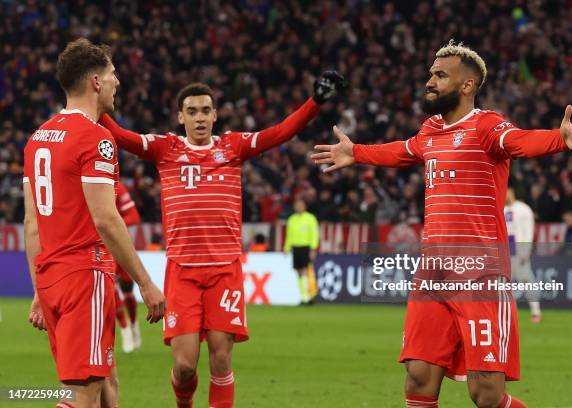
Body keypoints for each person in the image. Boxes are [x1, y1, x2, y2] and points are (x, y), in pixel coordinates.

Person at [312, 40, 572, 408]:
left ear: (467, 85)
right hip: (433, 274)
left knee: (486, 394)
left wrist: (558, 138)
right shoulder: (430, 130)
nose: (430, 81)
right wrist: (357, 152)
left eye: (440, 75)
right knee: (419, 377)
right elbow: (403, 150)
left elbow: (518, 141)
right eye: (431, 73)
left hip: (479, 275)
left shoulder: (486, 126)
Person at [98, 72, 346, 408]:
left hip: (224, 271)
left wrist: (315, 102)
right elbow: (119, 134)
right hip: (182, 273)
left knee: (221, 361)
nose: (199, 117)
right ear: (180, 117)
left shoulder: (233, 146)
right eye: (192, 111)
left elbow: (282, 131)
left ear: (215, 115)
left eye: (205, 110)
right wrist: (95, 98)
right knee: (184, 367)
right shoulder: (164, 148)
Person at [23, 38, 165, 408]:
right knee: (82, 394)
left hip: (52, 278)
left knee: (105, 384)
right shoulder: (96, 140)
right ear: (96, 82)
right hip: (84, 275)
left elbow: (32, 223)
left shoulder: (37, 140)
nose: (118, 82)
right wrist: (146, 283)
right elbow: (106, 219)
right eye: (113, 74)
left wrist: (39, 290)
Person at [504, 186, 541, 323]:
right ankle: (506, 313)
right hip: (505, 252)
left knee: (527, 280)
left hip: (519, 252)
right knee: (504, 283)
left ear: (512, 193)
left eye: (507, 192)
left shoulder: (523, 209)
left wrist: (526, 250)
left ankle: (536, 311)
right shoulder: (502, 210)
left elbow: (529, 230)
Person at [114, 181, 143, 352]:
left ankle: (133, 325)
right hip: (100, 248)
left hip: (121, 246)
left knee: (127, 289)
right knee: (110, 288)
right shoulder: (86, 185)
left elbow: (134, 216)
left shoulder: (117, 186)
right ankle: (125, 331)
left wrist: (112, 227)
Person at [283, 198, 320, 304]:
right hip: (295, 247)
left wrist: (313, 248)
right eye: (297, 205)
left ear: (304, 206)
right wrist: (286, 247)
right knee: (298, 272)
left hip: (306, 247)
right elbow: (289, 235)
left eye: (300, 205)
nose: (298, 207)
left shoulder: (310, 218)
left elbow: (314, 234)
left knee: (305, 270)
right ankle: (303, 296)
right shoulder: (291, 219)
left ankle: (310, 295)